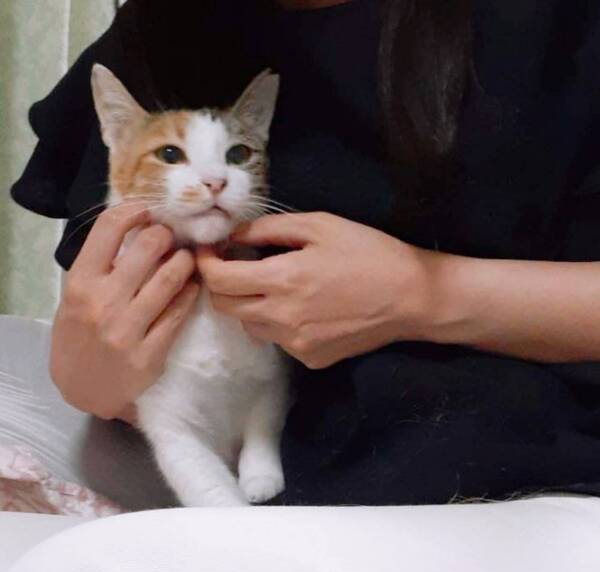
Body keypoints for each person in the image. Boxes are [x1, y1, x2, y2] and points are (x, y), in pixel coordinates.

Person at [8, 0, 600, 508]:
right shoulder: (157, 30)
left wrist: (427, 295)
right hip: (249, 488)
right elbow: (100, 349)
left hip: (531, 476)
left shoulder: (550, 26)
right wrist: (85, 377)